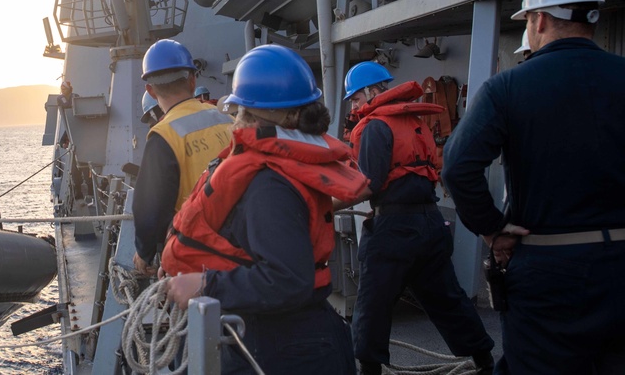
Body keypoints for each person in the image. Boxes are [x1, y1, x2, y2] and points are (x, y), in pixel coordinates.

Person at [443, 0, 625, 374]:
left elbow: (458, 167)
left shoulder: (508, 87)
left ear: (539, 19)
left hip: (550, 273)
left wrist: (492, 228)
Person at [161, 45, 368, 375]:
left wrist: (204, 283)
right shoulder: (285, 164)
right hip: (297, 335)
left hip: (286, 345)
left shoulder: (268, 184)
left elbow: (287, 279)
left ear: (250, 112)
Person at [343, 61, 495, 375]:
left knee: (372, 303)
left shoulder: (374, 126)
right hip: (430, 223)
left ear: (372, 92)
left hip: (394, 230)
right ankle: (484, 360)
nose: (354, 106)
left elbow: (368, 183)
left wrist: (324, 205)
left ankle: (368, 369)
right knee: (446, 298)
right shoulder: (416, 121)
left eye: (356, 99)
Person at [132, 39, 232, 277]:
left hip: (195, 253)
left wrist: (144, 253)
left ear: (151, 90)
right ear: (192, 80)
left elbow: (150, 210)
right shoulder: (225, 119)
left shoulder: (163, 136)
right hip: (240, 240)